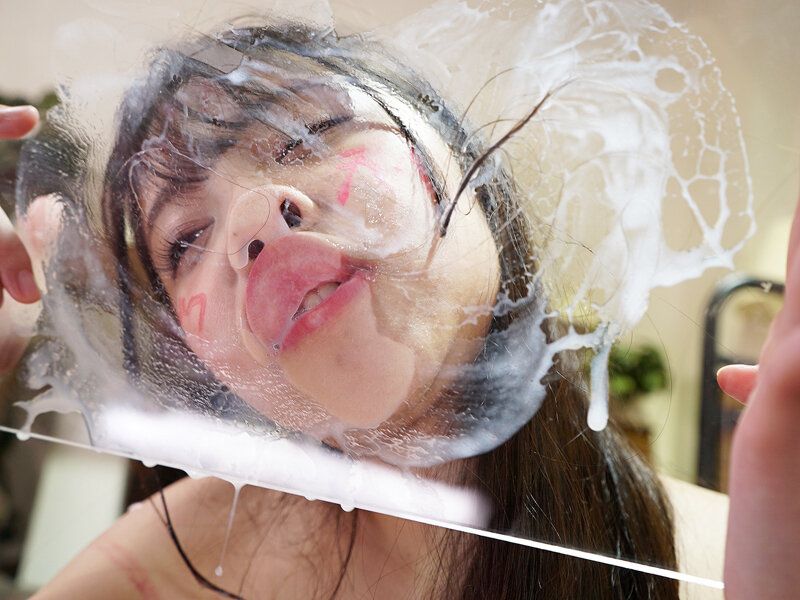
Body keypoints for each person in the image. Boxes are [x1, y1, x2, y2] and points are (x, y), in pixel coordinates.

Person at [0, 25, 794, 600]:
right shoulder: (166, 571)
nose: (253, 223)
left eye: (310, 131)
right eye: (186, 240)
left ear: (471, 169)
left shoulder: (738, 560)